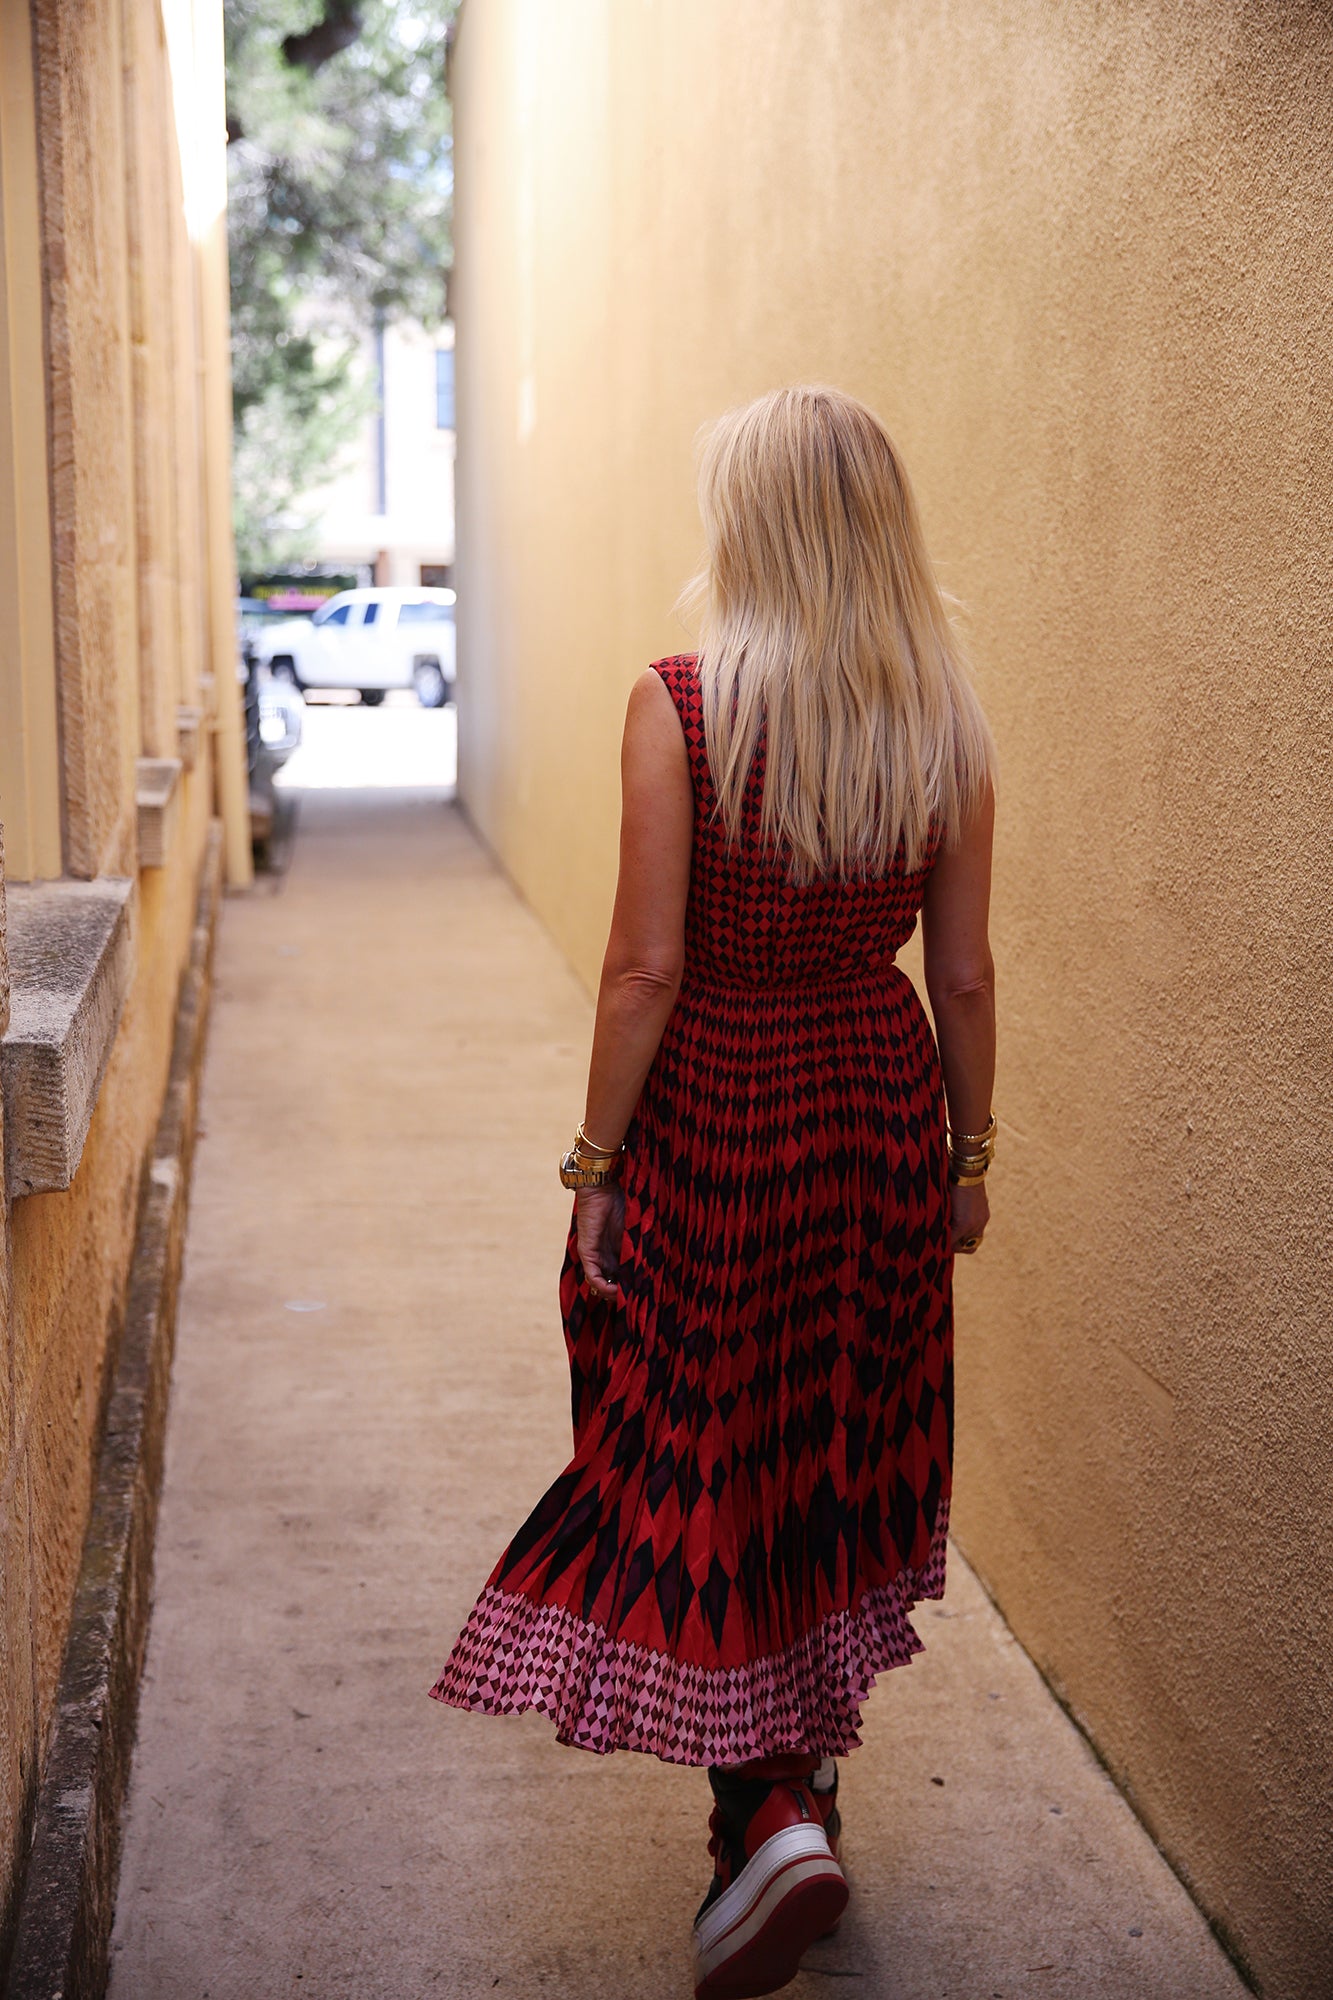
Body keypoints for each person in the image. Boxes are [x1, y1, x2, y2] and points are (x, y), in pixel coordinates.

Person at [430, 385, 997, 2000]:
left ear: (744, 525)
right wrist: (965, 1156)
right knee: (826, 1445)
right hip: (875, 1108)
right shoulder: (943, 719)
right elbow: (957, 975)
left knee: (698, 1445)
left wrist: (596, 1168)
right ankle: (802, 1797)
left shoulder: (681, 707)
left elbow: (642, 970)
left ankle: (756, 1813)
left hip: (719, 1115)